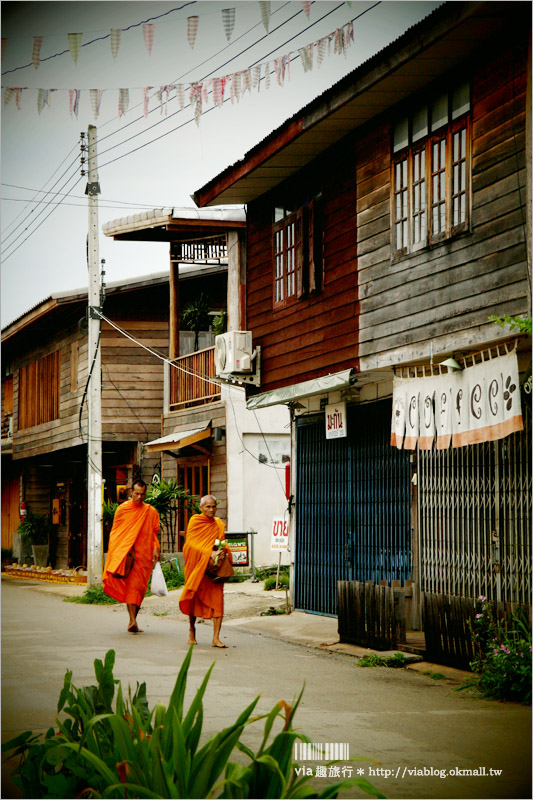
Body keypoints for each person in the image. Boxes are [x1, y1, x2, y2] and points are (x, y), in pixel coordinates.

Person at [102, 479, 160, 633]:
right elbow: (116, 533)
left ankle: (132, 620)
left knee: (140, 589)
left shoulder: (151, 511)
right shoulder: (123, 510)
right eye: (137, 494)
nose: (140, 497)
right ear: (130, 493)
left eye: (142, 494)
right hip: (130, 556)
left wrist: (156, 547)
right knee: (132, 587)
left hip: (145, 556)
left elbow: (154, 533)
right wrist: (120, 552)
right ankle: (133, 620)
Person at [179, 495, 231, 648]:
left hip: (213, 569)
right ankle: (192, 630)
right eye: (208, 506)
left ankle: (216, 638)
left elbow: (221, 543)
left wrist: (222, 552)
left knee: (218, 600)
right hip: (197, 566)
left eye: (214, 506)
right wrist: (209, 553)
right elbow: (190, 545)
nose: (211, 509)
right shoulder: (195, 521)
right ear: (201, 508)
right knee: (193, 598)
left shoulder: (218, 524)